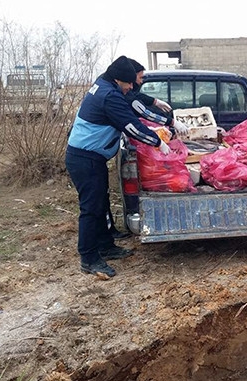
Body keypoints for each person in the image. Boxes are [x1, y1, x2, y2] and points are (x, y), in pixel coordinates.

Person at [66, 56, 171, 279]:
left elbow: (133, 101)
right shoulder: (109, 96)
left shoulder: (105, 84)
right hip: (85, 158)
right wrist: (158, 142)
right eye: (129, 83)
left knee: (101, 201)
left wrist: (153, 104)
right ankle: (89, 258)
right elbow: (131, 126)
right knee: (91, 208)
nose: (131, 87)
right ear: (118, 79)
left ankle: (105, 245)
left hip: (91, 157)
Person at [104, 58, 189, 239]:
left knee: (99, 198)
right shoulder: (115, 96)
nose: (141, 82)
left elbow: (138, 100)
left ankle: (106, 238)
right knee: (95, 202)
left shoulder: (119, 90)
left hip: (94, 153)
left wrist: (155, 100)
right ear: (128, 78)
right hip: (89, 155)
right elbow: (138, 117)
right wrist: (160, 137)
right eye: (140, 78)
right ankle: (101, 242)